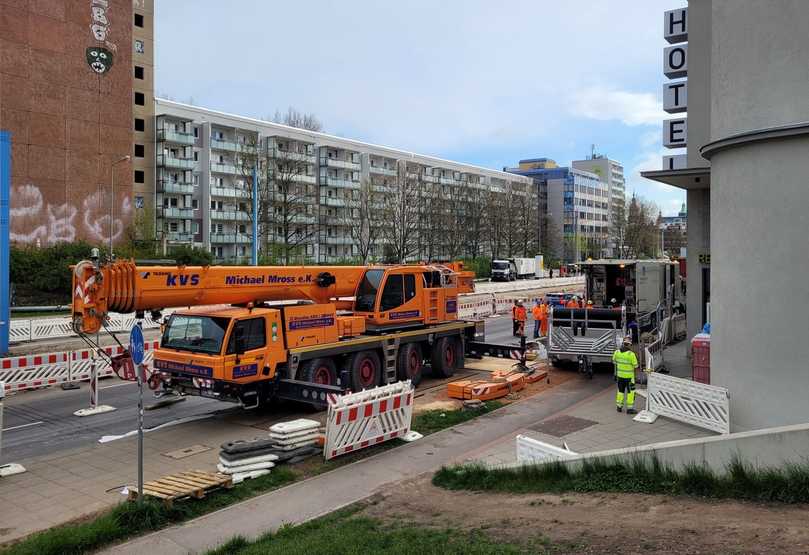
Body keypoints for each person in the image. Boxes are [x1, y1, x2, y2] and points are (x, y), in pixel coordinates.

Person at [612, 337, 639, 414]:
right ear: (629, 345)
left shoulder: (617, 352)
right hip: (629, 378)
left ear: (623, 343)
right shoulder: (631, 354)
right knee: (631, 392)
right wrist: (635, 376)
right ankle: (630, 409)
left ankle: (619, 407)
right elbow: (636, 366)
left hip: (620, 377)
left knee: (620, 391)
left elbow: (614, 362)